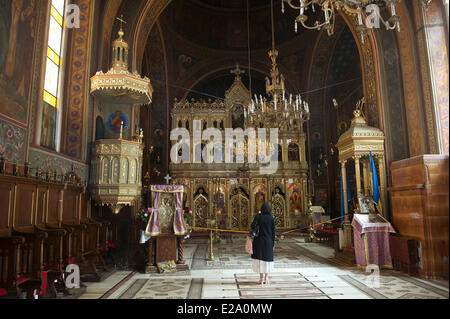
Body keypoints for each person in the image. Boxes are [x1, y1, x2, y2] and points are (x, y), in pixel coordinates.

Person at [250, 203, 276, 285]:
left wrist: (258, 215)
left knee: (260, 260)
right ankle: (266, 278)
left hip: (258, 241)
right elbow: (273, 233)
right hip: (268, 242)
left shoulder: (258, 217)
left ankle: (261, 279)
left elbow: (252, 226)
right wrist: (273, 243)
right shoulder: (271, 219)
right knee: (267, 260)